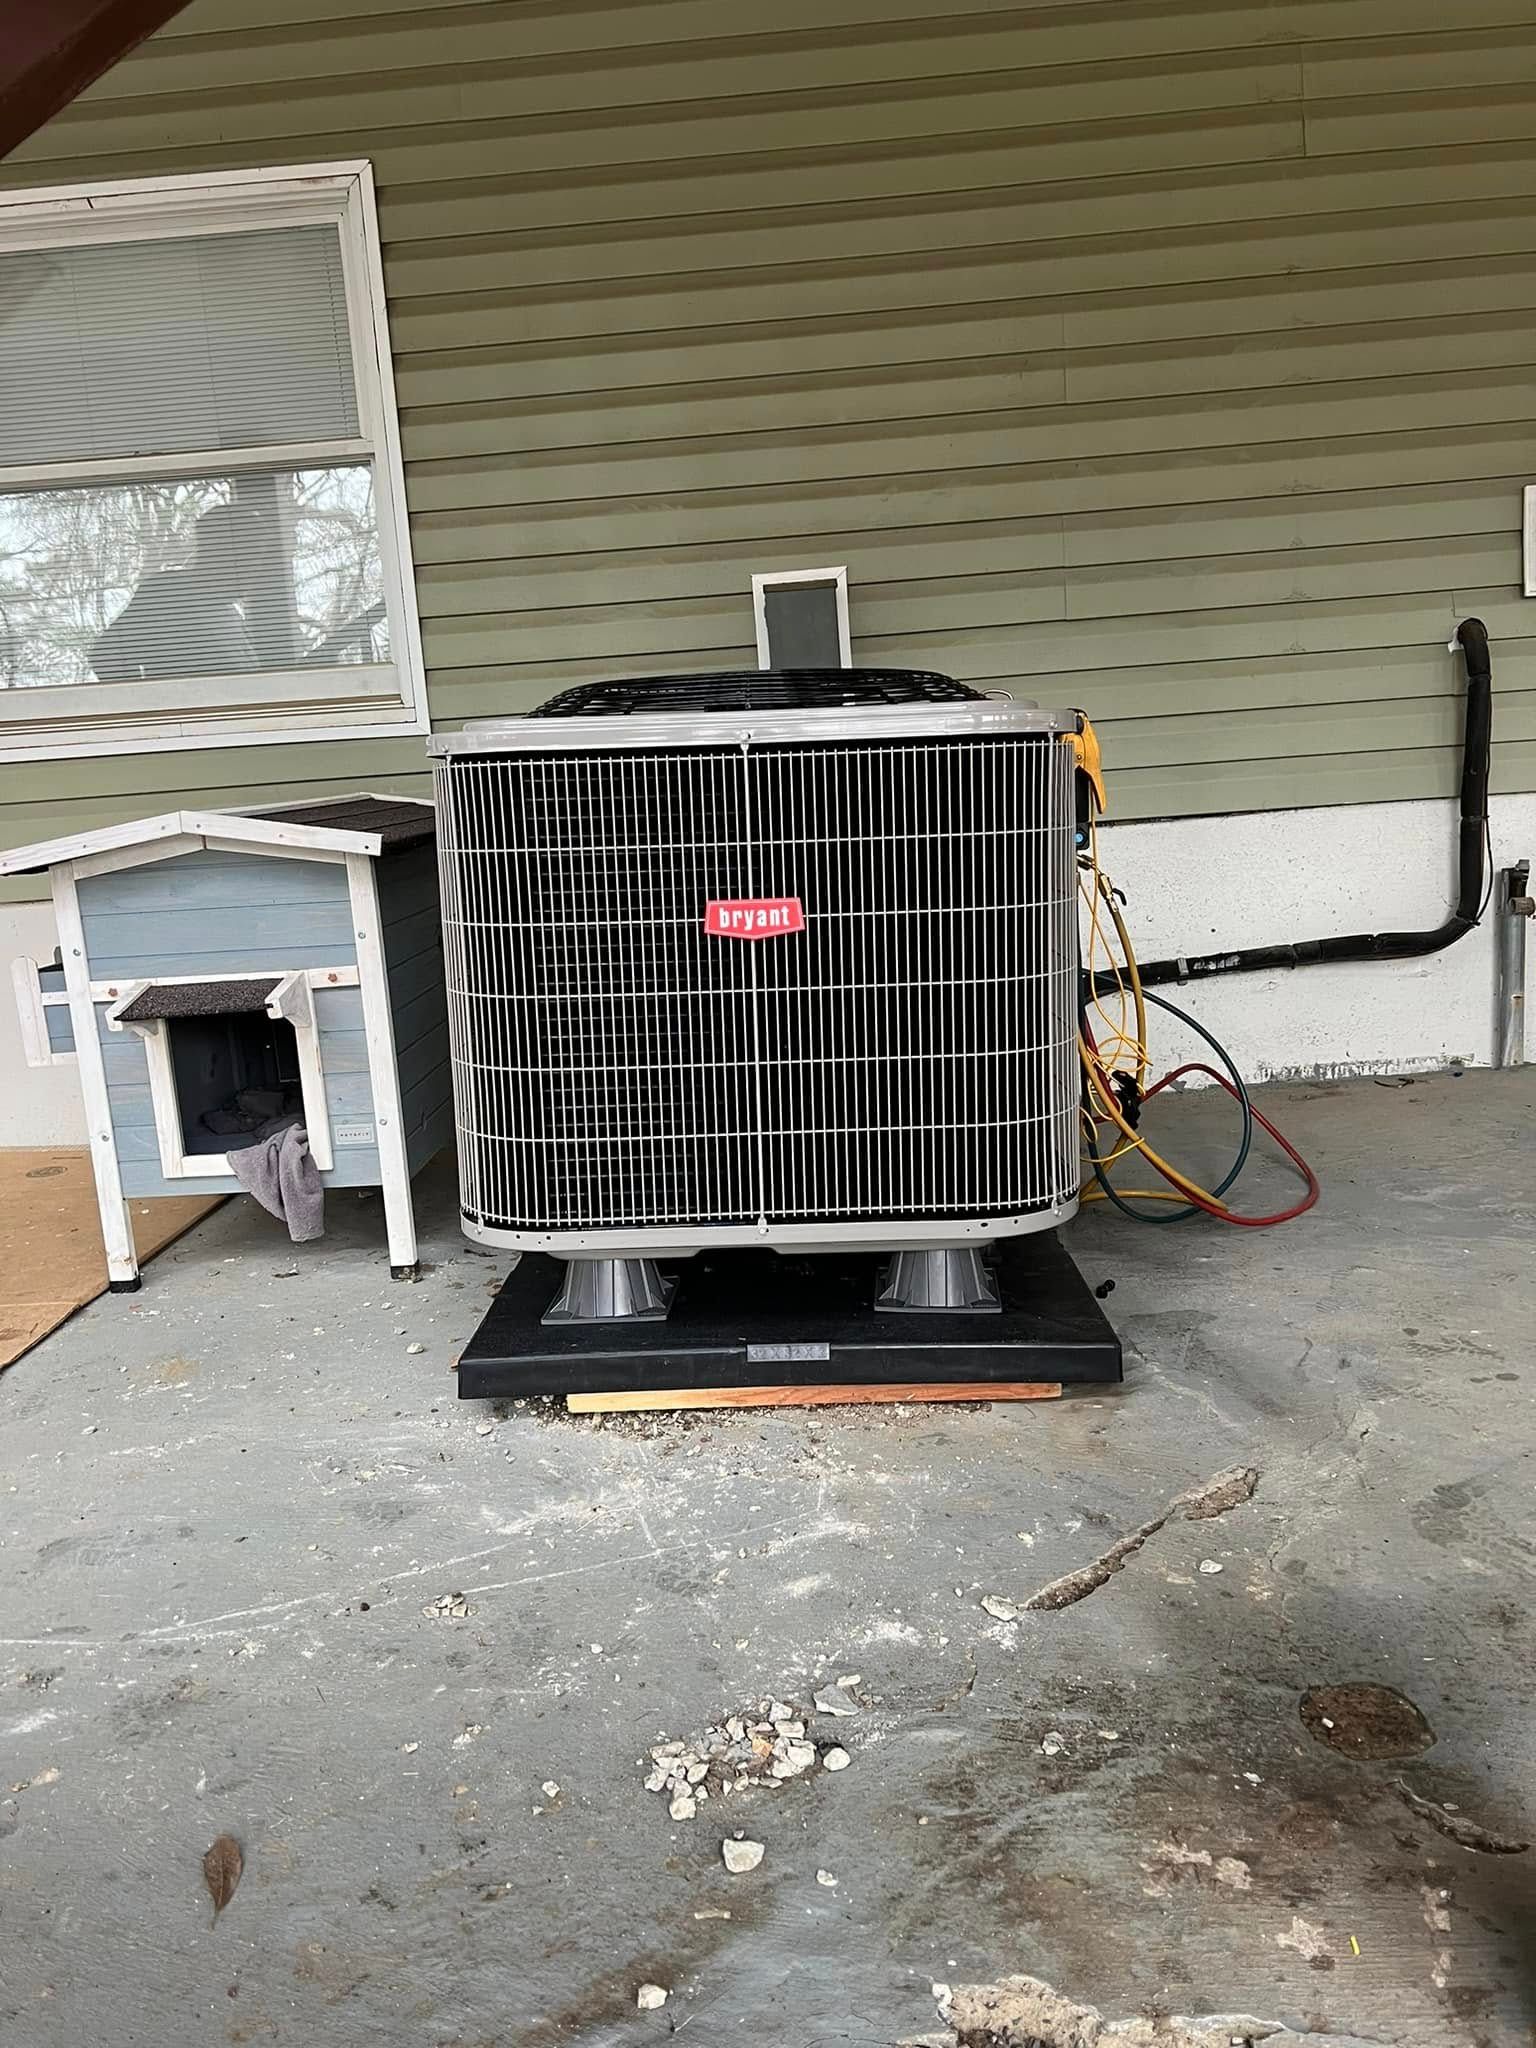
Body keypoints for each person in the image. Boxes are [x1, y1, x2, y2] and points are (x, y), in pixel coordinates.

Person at [91, 502, 261, 683]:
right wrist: (146, 698)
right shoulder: (168, 594)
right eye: (250, 558)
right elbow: (107, 655)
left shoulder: (230, 615)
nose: (255, 570)